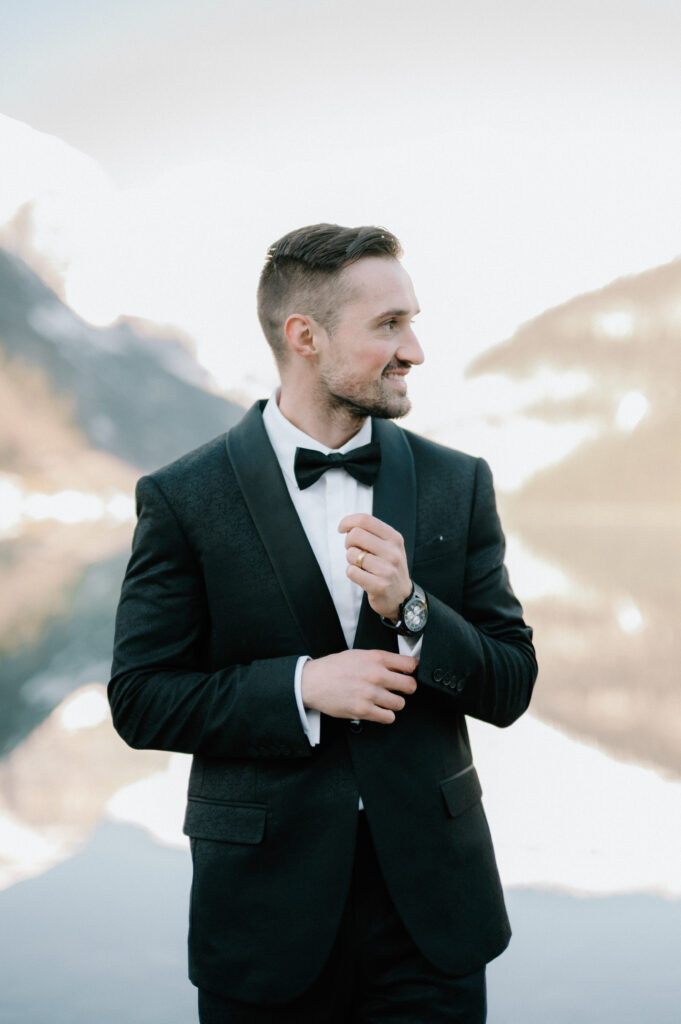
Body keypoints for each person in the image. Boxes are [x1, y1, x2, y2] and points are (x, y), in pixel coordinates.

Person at [109, 223, 537, 1023]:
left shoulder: (459, 483)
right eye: (388, 325)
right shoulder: (183, 497)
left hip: (431, 915)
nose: (414, 350)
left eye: (411, 322)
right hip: (263, 915)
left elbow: (510, 685)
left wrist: (411, 607)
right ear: (304, 337)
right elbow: (140, 700)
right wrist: (302, 687)